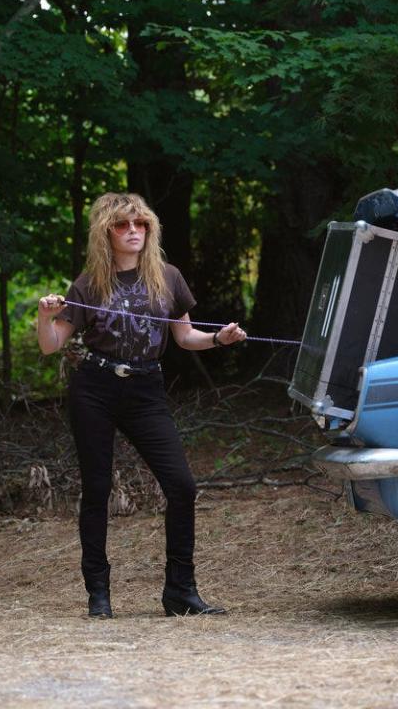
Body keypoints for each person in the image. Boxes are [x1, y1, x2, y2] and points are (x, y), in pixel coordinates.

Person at [36, 192, 246, 618]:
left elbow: (185, 338)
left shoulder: (166, 277)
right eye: (122, 225)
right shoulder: (88, 283)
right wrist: (44, 315)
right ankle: (99, 595)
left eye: (140, 224)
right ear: (105, 232)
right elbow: (50, 345)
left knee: (182, 486)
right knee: (97, 490)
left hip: (145, 389)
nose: (133, 231)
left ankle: (180, 592)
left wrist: (218, 339)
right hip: (94, 387)